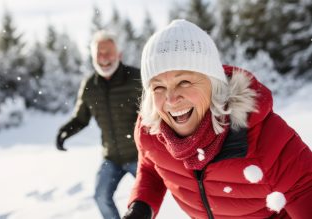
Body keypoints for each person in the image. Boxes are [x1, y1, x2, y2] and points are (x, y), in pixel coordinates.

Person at [122, 19, 312, 219]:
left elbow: (305, 189)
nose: (171, 99)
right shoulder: (151, 131)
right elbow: (152, 166)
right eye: (158, 87)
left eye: (184, 82)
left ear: (214, 84)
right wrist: (141, 206)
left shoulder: (265, 137)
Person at [56, 30, 141, 219]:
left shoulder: (136, 78)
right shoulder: (89, 85)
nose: (103, 58)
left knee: (143, 203)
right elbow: (80, 118)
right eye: (98, 53)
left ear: (119, 54)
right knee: (101, 196)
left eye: (108, 52)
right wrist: (64, 132)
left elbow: (156, 113)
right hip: (111, 157)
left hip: (139, 157)